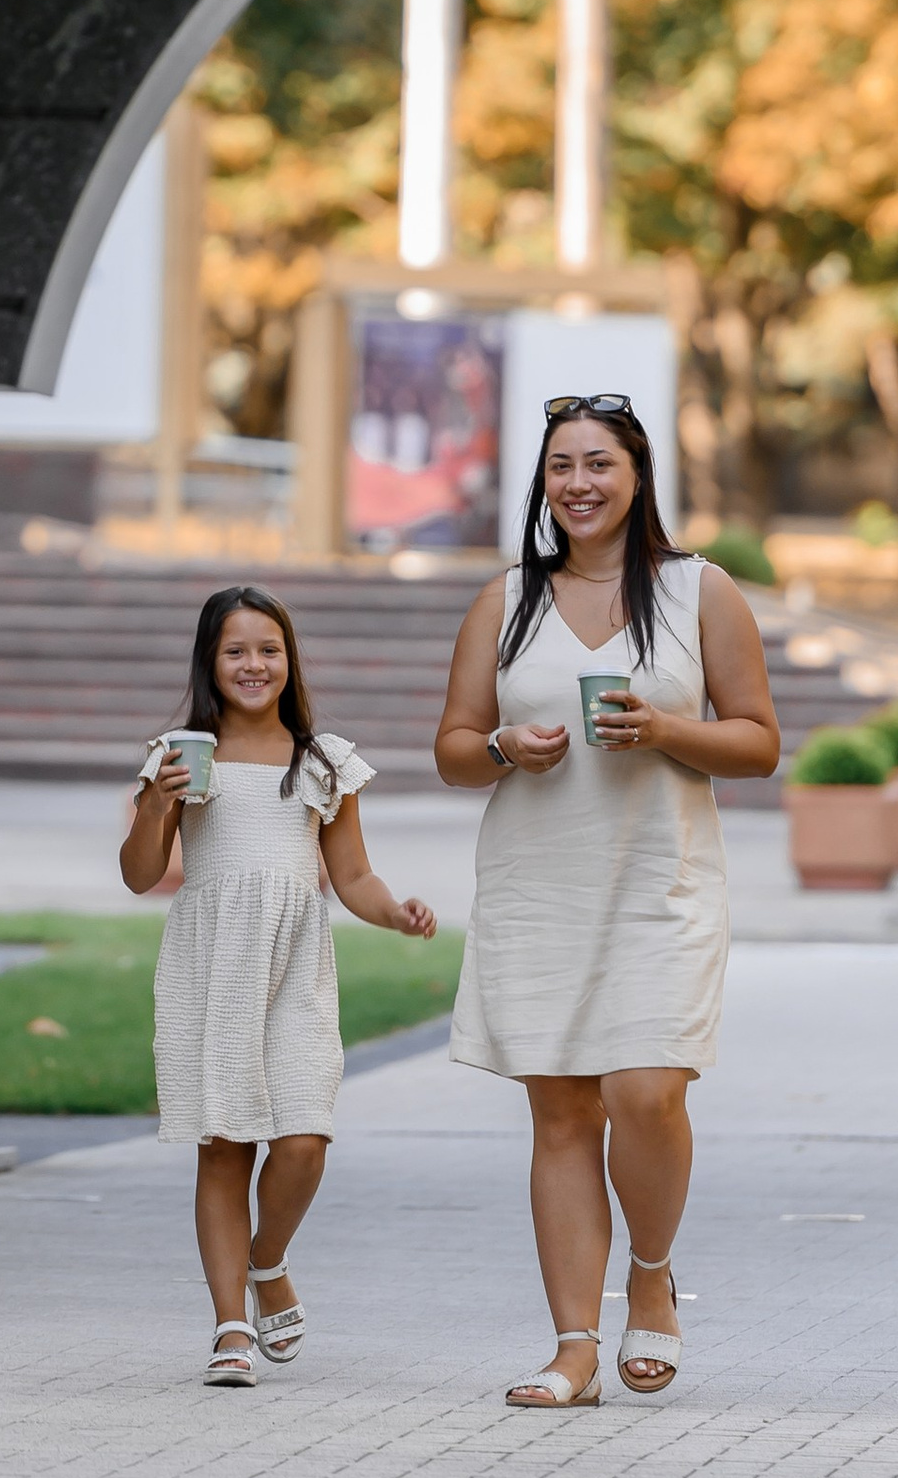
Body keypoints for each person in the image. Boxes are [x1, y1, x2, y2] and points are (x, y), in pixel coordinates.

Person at [436, 396, 779, 1406]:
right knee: (561, 1112)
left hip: (659, 884)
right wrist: (504, 746)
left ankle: (651, 1272)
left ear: (637, 477)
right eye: (560, 466)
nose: (578, 484)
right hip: (538, 887)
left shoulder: (699, 590)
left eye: (598, 464)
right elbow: (453, 748)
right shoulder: (505, 600)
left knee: (646, 1091)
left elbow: (759, 741)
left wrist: (667, 730)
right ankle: (574, 1350)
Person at [121, 585, 438, 1386]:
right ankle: (230, 1327)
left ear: (289, 659)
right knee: (224, 1146)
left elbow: (353, 874)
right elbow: (140, 875)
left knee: (303, 1140)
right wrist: (156, 808)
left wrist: (395, 913)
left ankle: (267, 1261)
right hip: (213, 965)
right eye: (235, 651)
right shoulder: (179, 755)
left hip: (295, 965)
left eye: (269, 649)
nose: (254, 665)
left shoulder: (322, 759)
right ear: (209, 661)